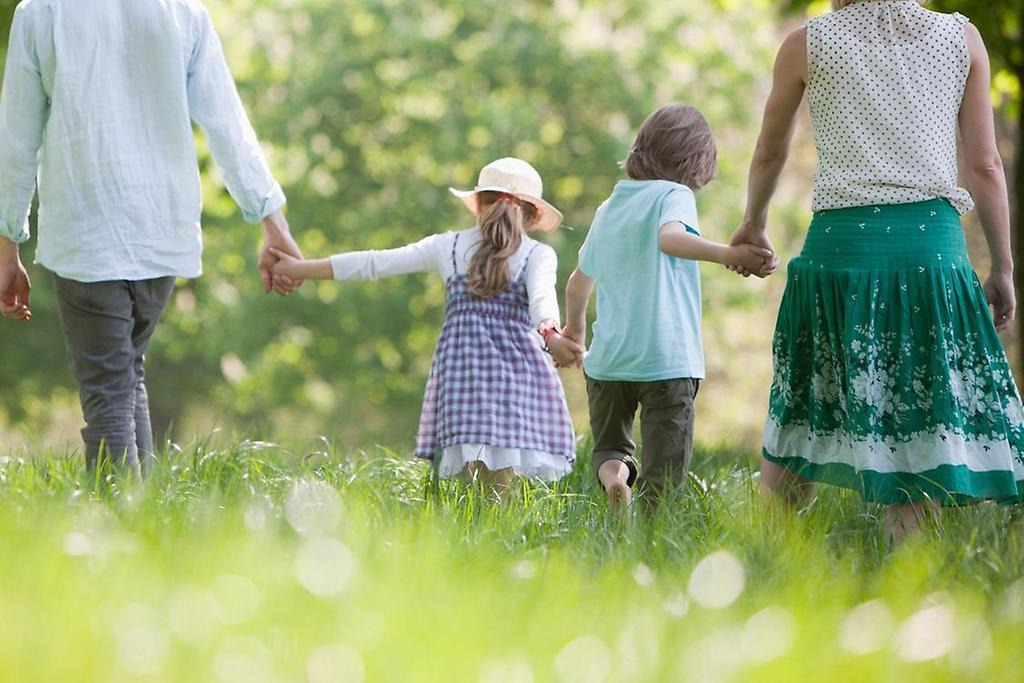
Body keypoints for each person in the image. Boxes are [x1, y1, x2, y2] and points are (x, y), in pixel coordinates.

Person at [730, 0, 1023, 540]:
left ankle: (770, 555)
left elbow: (769, 154)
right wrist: (1003, 266)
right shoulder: (961, 39)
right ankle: (901, 574)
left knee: (805, 398)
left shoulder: (806, 43)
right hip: (929, 253)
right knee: (918, 406)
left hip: (838, 253)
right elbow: (984, 164)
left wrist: (753, 222)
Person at [0, 0, 303, 477]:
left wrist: (8, 243)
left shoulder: (42, 11)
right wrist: (273, 222)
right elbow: (227, 120)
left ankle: (118, 538)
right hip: (162, 228)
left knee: (108, 392)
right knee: (123, 378)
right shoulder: (183, 10)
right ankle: (150, 524)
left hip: (86, 228)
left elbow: (16, 137)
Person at [270, 157, 581, 488]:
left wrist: (297, 268)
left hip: (464, 375)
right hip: (516, 377)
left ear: (477, 204)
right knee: (502, 480)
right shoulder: (538, 254)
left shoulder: (447, 246)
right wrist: (552, 336)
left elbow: (375, 263)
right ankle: (498, 533)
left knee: (473, 478)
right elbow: (541, 303)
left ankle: (474, 534)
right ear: (532, 215)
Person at [561, 103, 777, 508]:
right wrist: (729, 254)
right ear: (696, 160)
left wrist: (574, 330)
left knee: (609, 448)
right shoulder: (673, 194)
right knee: (665, 468)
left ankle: (615, 479)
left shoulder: (609, 207)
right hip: (666, 360)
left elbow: (577, 284)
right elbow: (670, 239)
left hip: (608, 363)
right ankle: (652, 539)